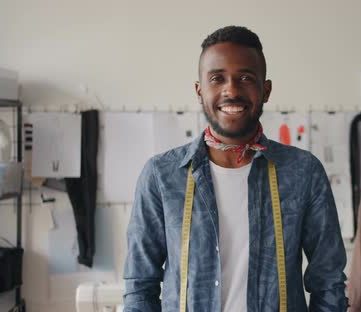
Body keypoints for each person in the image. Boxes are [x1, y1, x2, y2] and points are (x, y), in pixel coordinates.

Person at [123, 25, 348, 312]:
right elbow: (139, 286)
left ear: (265, 90)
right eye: (217, 78)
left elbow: (328, 281)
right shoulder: (161, 176)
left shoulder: (303, 173)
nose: (231, 89)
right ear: (199, 90)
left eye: (245, 78)